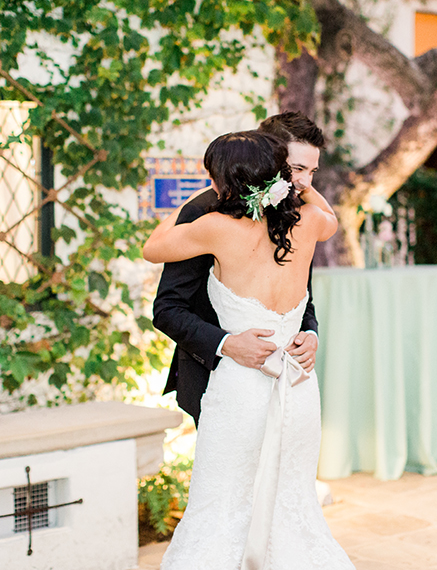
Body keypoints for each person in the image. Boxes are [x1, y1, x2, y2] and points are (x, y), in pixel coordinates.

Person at [143, 130, 354, 570]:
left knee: (220, 503)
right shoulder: (310, 222)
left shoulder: (214, 228)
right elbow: (329, 216)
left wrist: (191, 203)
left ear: (222, 180)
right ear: (280, 175)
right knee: (291, 501)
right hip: (297, 385)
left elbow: (151, 249)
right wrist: (302, 186)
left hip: (241, 387)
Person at [153, 112, 326, 426]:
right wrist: (227, 344)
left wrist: (310, 333)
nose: (306, 182)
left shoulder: (301, 215)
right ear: (269, 156)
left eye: (312, 171)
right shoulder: (205, 213)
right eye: (298, 168)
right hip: (218, 379)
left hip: (288, 385)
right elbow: (168, 309)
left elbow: (305, 299)